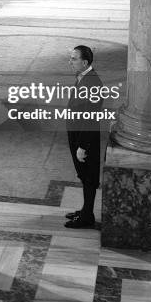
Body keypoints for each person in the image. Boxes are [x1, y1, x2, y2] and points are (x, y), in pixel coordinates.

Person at [65, 45, 103, 229]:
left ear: (85, 62)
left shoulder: (93, 84)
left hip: (84, 140)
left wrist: (82, 146)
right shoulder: (83, 77)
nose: (70, 62)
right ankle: (85, 210)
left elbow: (90, 118)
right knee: (84, 175)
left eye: (73, 59)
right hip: (77, 135)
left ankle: (87, 216)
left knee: (88, 178)